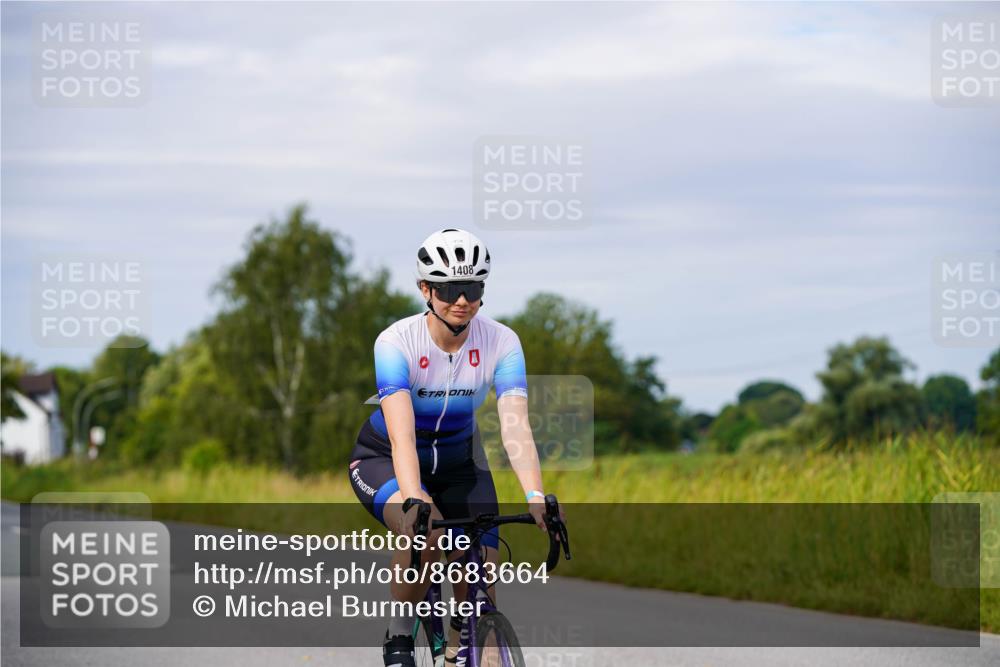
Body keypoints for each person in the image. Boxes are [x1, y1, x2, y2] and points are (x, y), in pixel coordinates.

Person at [348, 228, 548, 667]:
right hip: (385, 457)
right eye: (450, 288)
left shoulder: (501, 341)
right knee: (428, 529)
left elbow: (515, 425)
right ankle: (399, 637)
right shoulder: (396, 342)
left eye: (473, 288)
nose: (462, 300)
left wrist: (536, 495)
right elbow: (402, 435)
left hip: (460, 464)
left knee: (479, 582)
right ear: (425, 289)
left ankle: (463, 648)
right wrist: (416, 495)